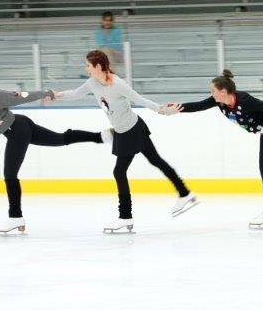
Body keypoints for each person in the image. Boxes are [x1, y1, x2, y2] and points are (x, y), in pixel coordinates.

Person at [52, 50, 197, 233]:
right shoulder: (93, 83)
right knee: (155, 160)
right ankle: (184, 192)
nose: (85, 68)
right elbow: (74, 94)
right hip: (124, 131)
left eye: (88, 65)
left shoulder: (118, 84)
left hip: (132, 130)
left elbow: (140, 99)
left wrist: (164, 110)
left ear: (98, 66)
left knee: (119, 172)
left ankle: (125, 216)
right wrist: (56, 95)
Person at [162, 70, 263, 228]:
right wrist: (174, 108)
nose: (211, 94)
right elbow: (198, 106)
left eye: (213, 91)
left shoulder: (244, 99)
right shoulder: (218, 101)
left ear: (223, 91)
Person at [0, 66, 104, 235]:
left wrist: (46, 93)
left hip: (17, 130)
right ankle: (101, 137)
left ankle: (15, 217)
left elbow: (21, 96)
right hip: (19, 126)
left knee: (10, 175)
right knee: (60, 139)